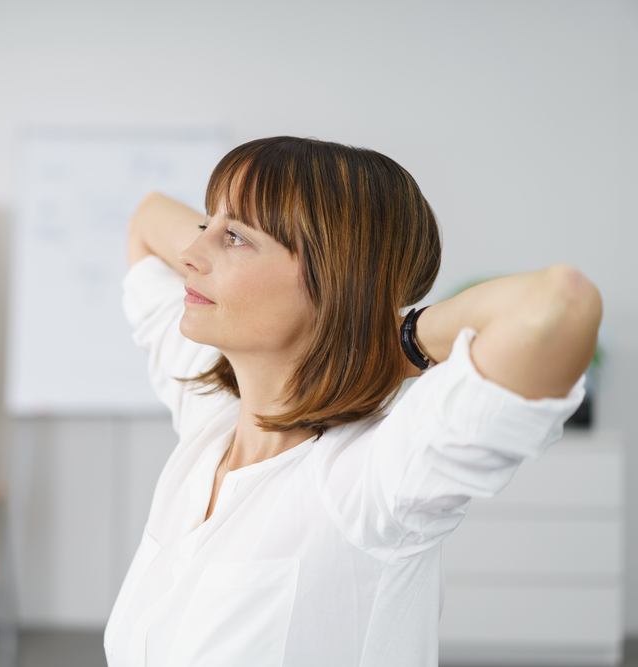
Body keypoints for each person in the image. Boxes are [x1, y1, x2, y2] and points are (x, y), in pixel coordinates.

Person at [104, 136, 601, 667]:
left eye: (234, 238)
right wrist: (234, 231)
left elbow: (561, 306)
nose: (189, 254)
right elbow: (147, 217)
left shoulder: (369, 482)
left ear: (333, 281)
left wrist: (390, 333)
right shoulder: (209, 416)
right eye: (206, 224)